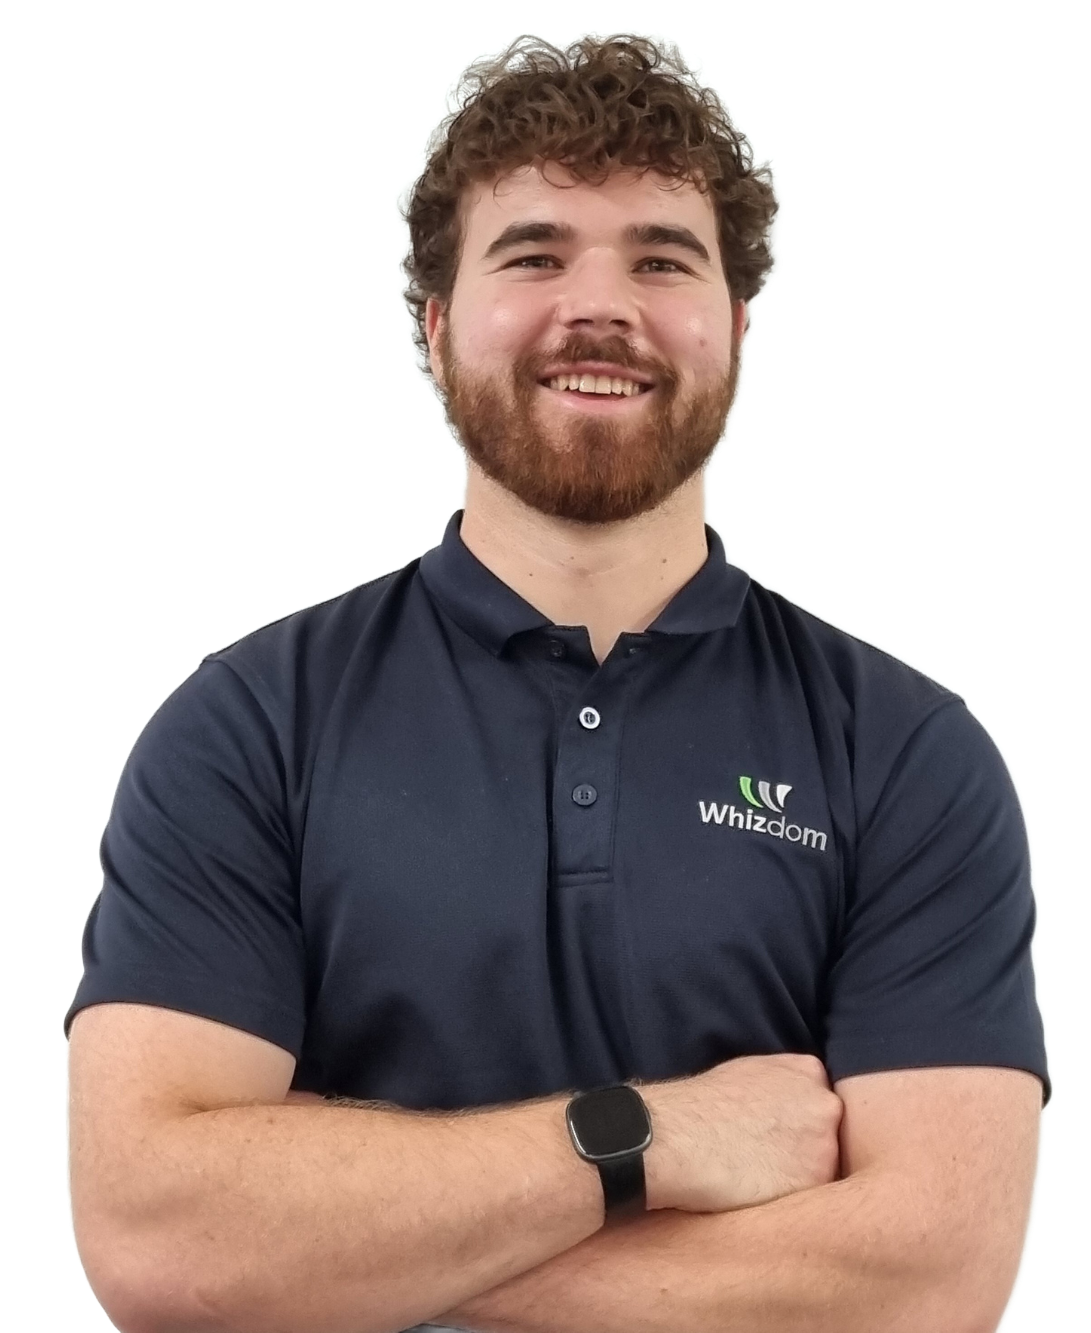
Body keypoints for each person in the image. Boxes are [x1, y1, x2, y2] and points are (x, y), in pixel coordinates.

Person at [63, 22, 1050, 1333]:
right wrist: (643, 1139)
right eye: (534, 256)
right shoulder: (245, 728)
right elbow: (157, 1235)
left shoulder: (909, 752)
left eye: (661, 259)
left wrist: (352, 1251)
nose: (600, 306)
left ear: (737, 326)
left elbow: (932, 1280)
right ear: (434, 325)